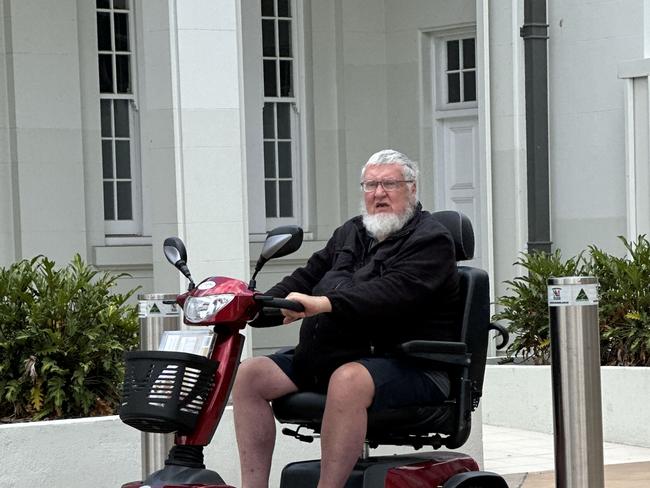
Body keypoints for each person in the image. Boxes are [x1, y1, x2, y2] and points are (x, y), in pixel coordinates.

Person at [233, 149, 461, 488]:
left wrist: (324, 303)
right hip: (332, 355)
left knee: (348, 379)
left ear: (412, 189)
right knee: (250, 375)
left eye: (389, 184)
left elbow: (390, 295)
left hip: (410, 362)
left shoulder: (431, 240)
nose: (378, 194)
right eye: (370, 185)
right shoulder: (352, 232)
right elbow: (307, 275)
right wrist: (258, 304)